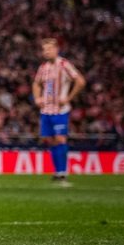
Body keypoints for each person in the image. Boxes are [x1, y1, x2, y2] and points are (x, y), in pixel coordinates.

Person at [32, 37, 85, 186]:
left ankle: (62, 172)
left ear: (56, 49)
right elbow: (36, 83)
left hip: (60, 110)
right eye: (44, 49)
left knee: (61, 139)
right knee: (50, 140)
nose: (46, 52)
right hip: (46, 110)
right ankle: (57, 172)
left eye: (49, 49)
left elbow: (80, 81)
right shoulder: (43, 67)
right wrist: (37, 98)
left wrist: (68, 98)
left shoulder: (64, 64)